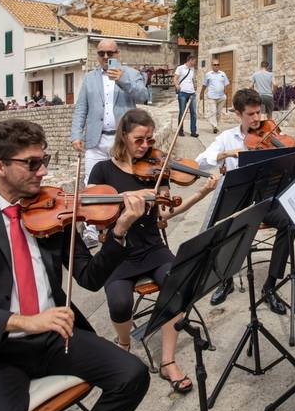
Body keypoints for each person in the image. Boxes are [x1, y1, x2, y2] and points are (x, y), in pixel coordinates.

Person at [0, 119, 150, 411]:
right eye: (32, 163)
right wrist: (25, 321)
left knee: (133, 376)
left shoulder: (53, 207)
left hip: (53, 339)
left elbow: (89, 278)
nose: (43, 171)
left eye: (44, 160)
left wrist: (119, 231)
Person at [89, 109, 220, 394]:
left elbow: (165, 213)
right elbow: (94, 215)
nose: (146, 146)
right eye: (139, 139)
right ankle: (124, 343)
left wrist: (201, 194)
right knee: (119, 302)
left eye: (149, 139)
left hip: (153, 249)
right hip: (118, 252)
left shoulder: (155, 171)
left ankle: (168, 361)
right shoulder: (102, 171)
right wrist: (124, 201)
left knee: (177, 285)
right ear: (123, 136)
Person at [194, 88, 295, 314]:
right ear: (238, 114)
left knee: (290, 223)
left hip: (265, 198)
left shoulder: (272, 132)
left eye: (258, 112)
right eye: (250, 114)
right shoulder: (227, 138)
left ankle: (270, 286)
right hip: (238, 199)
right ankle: (225, 279)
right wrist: (227, 154)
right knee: (219, 225)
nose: (257, 118)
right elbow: (200, 162)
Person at [71, 38, 147, 194]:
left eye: (110, 53)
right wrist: (76, 135)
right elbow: (81, 108)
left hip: (121, 140)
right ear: (97, 55)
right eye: (101, 53)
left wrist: (123, 80)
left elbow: (143, 96)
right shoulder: (89, 78)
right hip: (95, 142)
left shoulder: (131, 74)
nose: (105, 57)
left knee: (121, 183)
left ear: (118, 54)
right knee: (92, 185)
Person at [200, 59, 230, 134]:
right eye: (215, 65)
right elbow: (204, 85)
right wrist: (201, 93)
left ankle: (216, 125)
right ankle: (215, 126)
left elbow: (226, 84)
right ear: (212, 66)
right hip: (211, 97)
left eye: (218, 64)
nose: (216, 66)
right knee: (213, 111)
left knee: (218, 113)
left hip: (221, 97)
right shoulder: (208, 74)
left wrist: (226, 92)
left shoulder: (222, 74)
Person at [173, 55, 198, 137]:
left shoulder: (192, 69)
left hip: (192, 93)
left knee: (193, 113)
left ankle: (193, 132)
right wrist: (177, 86)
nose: (195, 63)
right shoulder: (180, 68)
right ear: (190, 60)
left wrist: (194, 85)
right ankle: (180, 131)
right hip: (183, 93)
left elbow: (192, 79)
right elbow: (175, 78)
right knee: (182, 112)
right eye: (194, 61)